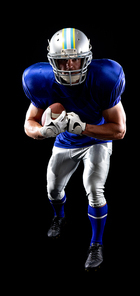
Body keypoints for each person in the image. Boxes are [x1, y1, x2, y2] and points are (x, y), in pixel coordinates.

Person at [23, 28, 126, 271]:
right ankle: (59, 216)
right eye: (62, 60)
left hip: (96, 140)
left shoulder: (105, 77)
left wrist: (84, 128)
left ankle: (96, 243)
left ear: (87, 58)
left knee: (94, 190)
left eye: (75, 58)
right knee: (53, 190)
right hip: (65, 142)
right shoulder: (38, 79)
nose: (69, 65)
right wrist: (43, 132)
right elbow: (29, 123)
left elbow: (119, 130)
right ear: (52, 61)